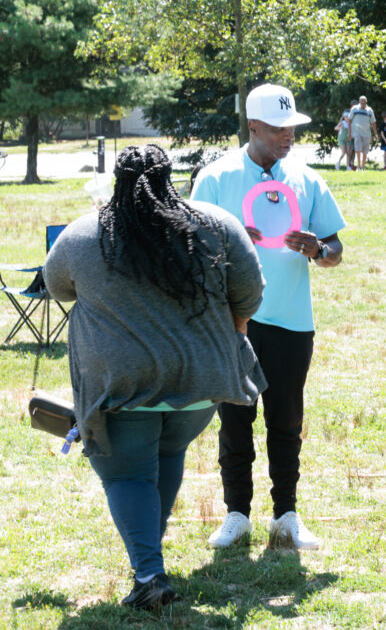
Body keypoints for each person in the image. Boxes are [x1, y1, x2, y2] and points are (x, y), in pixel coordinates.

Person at [43, 144, 266, 610]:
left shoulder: (85, 233)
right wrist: (234, 328)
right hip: (200, 386)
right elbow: (249, 292)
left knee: (126, 474)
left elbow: (57, 287)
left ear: (118, 181)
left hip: (122, 387)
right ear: (171, 177)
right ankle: (149, 561)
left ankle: (149, 574)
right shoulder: (216, 223)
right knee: (168, 453)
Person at [191, 83, 346, 550]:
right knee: (235, 418)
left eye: (292, 127)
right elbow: (190, 249)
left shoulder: (307, 178)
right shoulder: (215, 178)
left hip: (292, 320)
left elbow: (336, 250)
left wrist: (318, 248)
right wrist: (228, 242)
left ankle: (287, 516)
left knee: (286, 420)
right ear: (252, 126)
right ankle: (236, 514)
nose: (288, 136)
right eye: (278, 128)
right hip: (233, 322)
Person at [349, 96, 377, 170]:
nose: (362, 102)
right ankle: (358, 166)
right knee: (357, 149)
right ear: (359, 101)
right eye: (361, 101)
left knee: (365, 151)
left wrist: (376, 134)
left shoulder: (369, 110)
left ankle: (363, 167)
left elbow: (373, 123)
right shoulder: (354, 109)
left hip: (367, 133)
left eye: (364, 101)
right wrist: (349, 132)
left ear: (366, 102)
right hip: (357, 133)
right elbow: (349, 120)